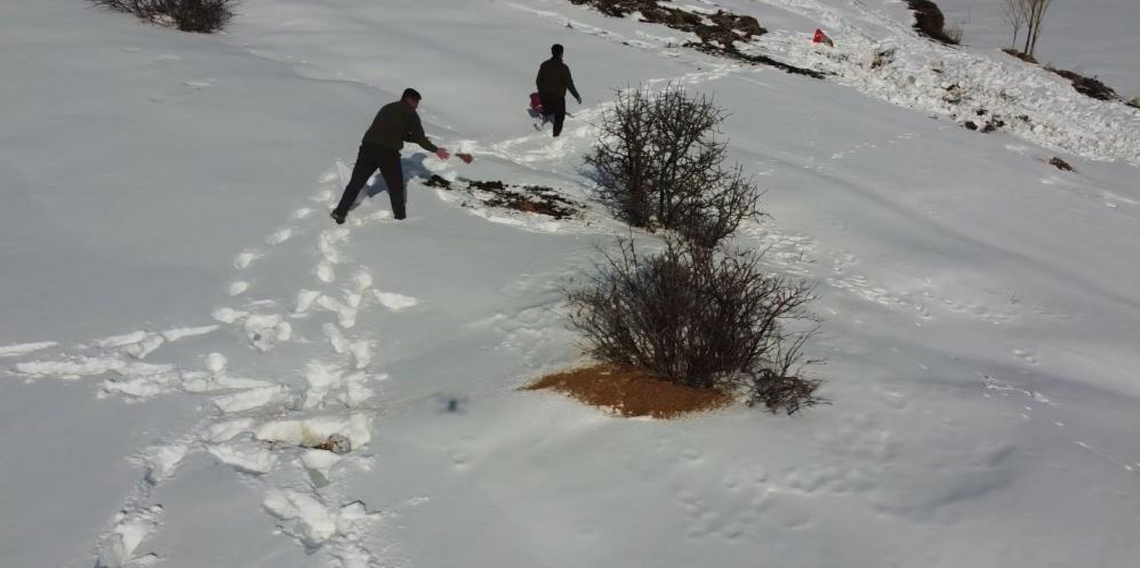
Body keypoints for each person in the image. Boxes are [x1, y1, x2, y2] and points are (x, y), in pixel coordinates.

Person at [331, 88, 449, 224]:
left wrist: (413, 138)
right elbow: (419, 138)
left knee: (356, 183)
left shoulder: (387, 108)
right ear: (410, 100)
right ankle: (400, 218)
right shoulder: (411, 114)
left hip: (367, 150)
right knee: (395, 187)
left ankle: (340, 212)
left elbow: (396, 132)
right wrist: (435, 149)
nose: (417, 105)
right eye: (416, 102)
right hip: (388, 154)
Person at [536, 44, 582, 137]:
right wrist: (577, 96)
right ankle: (556, 136)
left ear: (552, 52)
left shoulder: (544, 65)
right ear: (561, 54)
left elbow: (538, 81)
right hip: (558, 98)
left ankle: (542, 118)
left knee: (548, 109)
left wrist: (542, 92)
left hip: (544, 96)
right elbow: (569, 84)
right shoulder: (564, 68)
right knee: (560, 117)